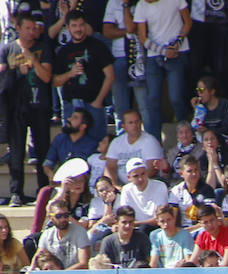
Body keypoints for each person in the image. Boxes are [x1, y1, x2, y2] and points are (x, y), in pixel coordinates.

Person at [0, 12, 52, 207]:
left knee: (42, 149)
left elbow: (47, 77)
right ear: (19, 29)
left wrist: (32, 59)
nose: (32, 32)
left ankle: (43, 189)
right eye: (28, 28)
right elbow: (2, 78)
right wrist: (16, 71)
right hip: (15, 107)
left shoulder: (43, 48)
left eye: (34, 28)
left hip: (39, 105)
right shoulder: (7, 49)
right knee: (16, 151)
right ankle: (16, 192)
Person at [51, 10, 113, 142]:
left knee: (98, 147)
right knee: (72, 146)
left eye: (81, 25)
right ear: (68, 27)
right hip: (71, 106)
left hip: (94, 103)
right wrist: (70, 73)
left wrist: (98, 101)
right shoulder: (63, 51)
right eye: (74, 25)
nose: (78, 29)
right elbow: (55, 82)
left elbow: (110, 76)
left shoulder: (98, 46)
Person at [133, 0, 191, 141]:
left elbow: (187, 23)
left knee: (176, 98)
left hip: (177, 52)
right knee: (153, 99)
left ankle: (187, 137)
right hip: (155, 55)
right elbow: (142, 37)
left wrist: (177, 43)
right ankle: (155, 143)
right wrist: (162, 51)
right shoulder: (142, 5)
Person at [103, 0, 150, 134]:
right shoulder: (113, 2)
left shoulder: (143, 3)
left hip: (140, 58)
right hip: (118, 57)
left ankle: (149, 142)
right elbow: (107, 31)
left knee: (144, 106)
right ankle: (122, 142)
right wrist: (130, 31)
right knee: (120, 107)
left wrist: (129, 29)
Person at [104, 110, 166, 187]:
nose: (135, 125)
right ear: (123, 126)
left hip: (145, 184)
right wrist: (115, 186)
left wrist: (131, 188)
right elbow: (110, 168)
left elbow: (152, 169)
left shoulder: (150, 141)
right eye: (131, 123)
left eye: (137, 121)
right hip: (120, 187)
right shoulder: (116, 142)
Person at [43, 108, 98, 182]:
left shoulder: (92, 145)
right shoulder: (59, 139)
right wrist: (50, 175)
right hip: (62, 182)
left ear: (83, 126)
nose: (69, 119)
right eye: (71, 116)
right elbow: (48, 163)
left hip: (82, 185)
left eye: (75, 118)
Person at [36, 199, 90, 269]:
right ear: (51, 217)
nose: (63, 219)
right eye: (58, 216)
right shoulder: (47, 234)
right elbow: (38, 259)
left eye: (66, 215)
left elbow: (84, 263)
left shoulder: (79, 232)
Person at [168, 155, 217, 230]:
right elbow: (172, 217)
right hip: (182, 230)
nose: (194, 174)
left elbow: (208, 218)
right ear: (181, 174)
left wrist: (187, 231)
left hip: (201, 229)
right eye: (190, 171)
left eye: (196, 170)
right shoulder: (176, 191)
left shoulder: (207, 190)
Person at [120, 157, 169, 231]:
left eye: (143, 174)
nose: (140, 179)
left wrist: (134, 223)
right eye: (136, 176)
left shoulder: (160, 186)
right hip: (132, 228)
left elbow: (160, 218)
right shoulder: (126, 190)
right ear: (129, 177)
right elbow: (125, 216)